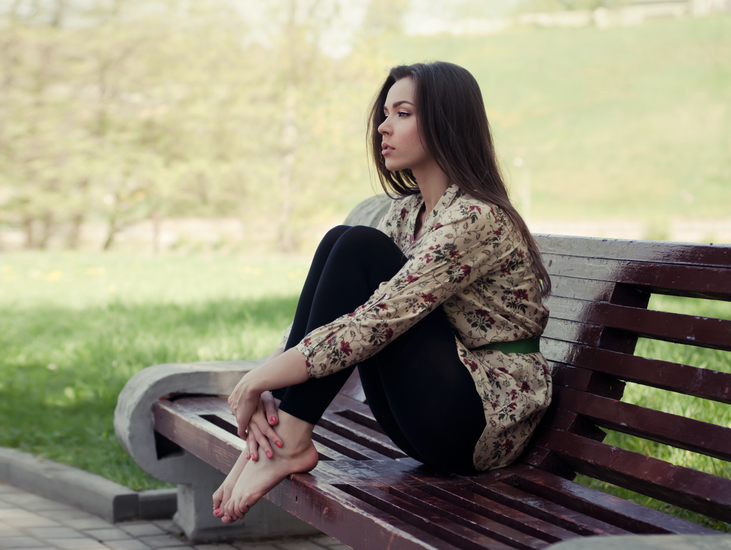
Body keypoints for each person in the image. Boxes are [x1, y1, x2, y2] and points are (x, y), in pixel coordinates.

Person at [211, 61, 554, 524]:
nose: (383, 127)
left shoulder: (477, 218)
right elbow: (356, 316)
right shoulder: (406, 215)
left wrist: (260, 379)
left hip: (484, 423)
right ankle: (279, 440)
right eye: (385, 113)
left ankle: (286, 443)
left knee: (358, 246)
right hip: (424, 415)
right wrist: (273, 376)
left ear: (446, 122)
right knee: (342, 238)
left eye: (403, 113)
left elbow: (376, 323)